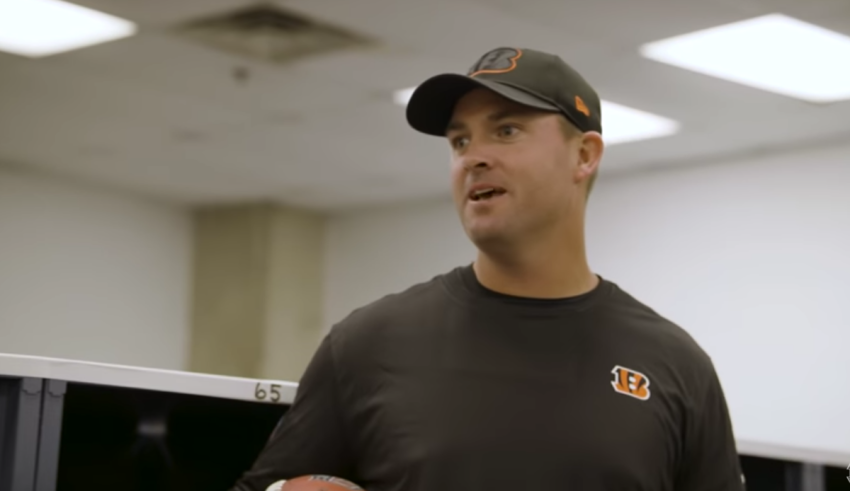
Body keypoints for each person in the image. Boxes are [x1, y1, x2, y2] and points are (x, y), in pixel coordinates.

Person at [230, 47, 745, 491]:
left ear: (584, 155)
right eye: (459, 141)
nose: (473, 157)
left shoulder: (676, 366)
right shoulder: (368, 345)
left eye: (506, 130)